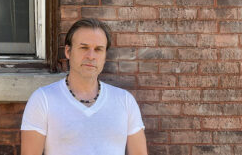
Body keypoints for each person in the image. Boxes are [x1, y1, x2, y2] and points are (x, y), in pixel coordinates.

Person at [21, 18, 148, 155]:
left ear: (105, 56)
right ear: (68, 52)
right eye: (84, 48)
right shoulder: (43, 100)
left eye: (98, 49)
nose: (91, 56)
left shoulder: (125, 101)